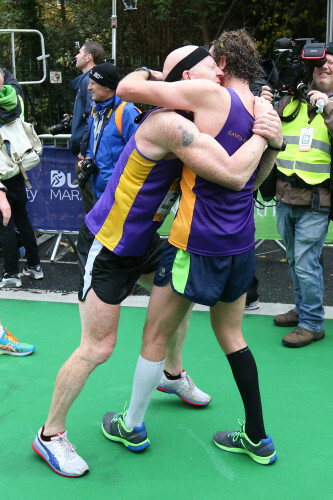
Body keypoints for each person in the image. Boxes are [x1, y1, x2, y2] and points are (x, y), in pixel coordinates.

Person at [31, 50, 281, 476]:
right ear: (188, 77)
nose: (219, 71)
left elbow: (244, 178)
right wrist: (265, 133)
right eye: (209, 66)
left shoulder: (199, 115)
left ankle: (172, 372)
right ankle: (50, 435)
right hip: (108, 244)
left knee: (172, 295)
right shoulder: (171, 123)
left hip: (145, 238)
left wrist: (266, 124)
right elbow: (235, 174)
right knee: (99, 347)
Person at [102, 30, 283, 466]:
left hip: (194, 243)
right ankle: (257, 436)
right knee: (233, 336)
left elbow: (124, 89)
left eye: (209, 60)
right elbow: (254, 182)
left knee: (155, 334)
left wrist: (156, 75)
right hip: (239, 244)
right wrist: (269, 139)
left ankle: (132, 424)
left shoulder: (209, 93)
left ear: (221, 63)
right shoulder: (261, 108)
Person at [261, 43, 333, 348]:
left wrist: (327, 106)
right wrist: (264, 102)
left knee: (306, 263)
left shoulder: (327, 104)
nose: (325, 68)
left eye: (330, 64)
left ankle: (313, 323)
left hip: (317, 200)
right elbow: (269, 131)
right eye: (320, 65)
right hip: (286, 195)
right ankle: (303, 310)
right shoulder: (294, 100)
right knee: (294, 261)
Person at [0, 68, 43, 287]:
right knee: (21, 216)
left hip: (2, 170)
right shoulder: (13, 96)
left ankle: (10, 274)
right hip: (18, 166)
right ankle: (35, 266)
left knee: (4, 222)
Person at [82, 62, 140, 203]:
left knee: (91, 226)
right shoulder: (95, 108)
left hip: (119, 192)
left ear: (107, 87)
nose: (89, 88)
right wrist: (89, 157)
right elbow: (95, 141)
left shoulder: (127, 112)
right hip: (99, 188)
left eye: (93, 84)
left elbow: (140, 153)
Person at [70, 41, 105, 213]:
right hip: (89, 154)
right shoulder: (88, 80)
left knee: (93, 211)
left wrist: (84, 152)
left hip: (88, 156)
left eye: (79, 52)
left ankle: (93, 240)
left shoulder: (88, 81)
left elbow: (92, 119)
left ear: (89, 57)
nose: (76, 56)